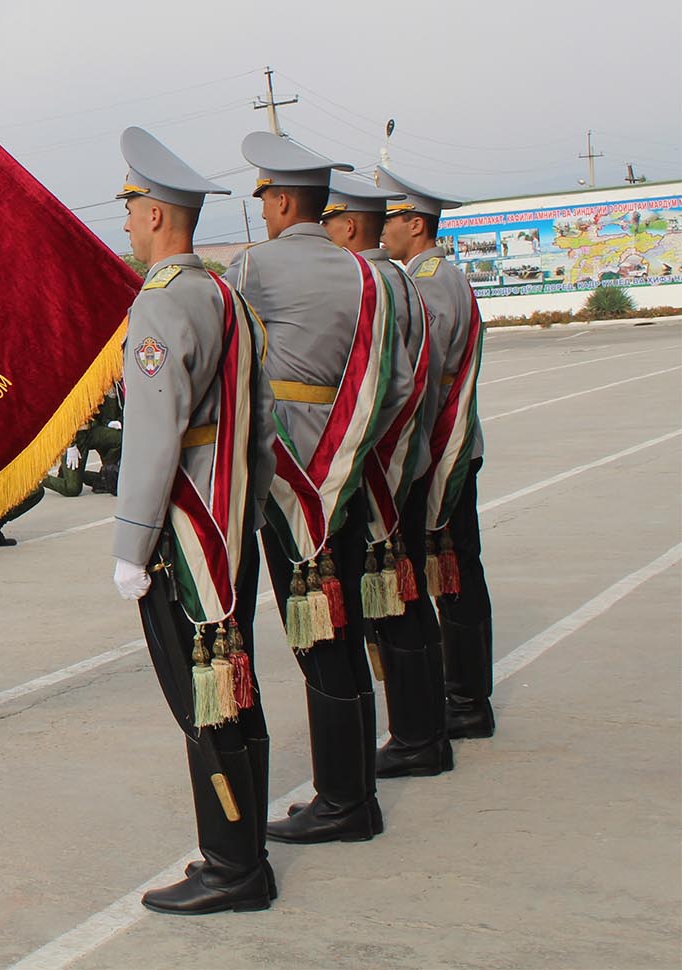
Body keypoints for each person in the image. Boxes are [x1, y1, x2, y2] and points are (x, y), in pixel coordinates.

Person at [109, 127, 277, 914]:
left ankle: (233, 865)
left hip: (182, 529)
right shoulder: (225, 295)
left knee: (201, 696)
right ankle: (247, 849)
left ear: (153, 216)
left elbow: (151, 437)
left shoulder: (160, 305)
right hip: (230, 514)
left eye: (132, 208)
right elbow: (260, 419)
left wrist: (129, 544)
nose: (127, 223)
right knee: (234, 684)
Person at [226, 132, 395, 845]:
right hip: (348, 467)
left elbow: (227, 360)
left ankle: (344, 802)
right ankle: (353, 790)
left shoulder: (253, 265)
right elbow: (398, 383)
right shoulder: (368, 275)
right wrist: (347, 447)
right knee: (344, 629)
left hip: (291, 474)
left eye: (264, 196)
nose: (262, 209)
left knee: (315, 638)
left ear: (284, 199)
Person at [321, 173, 450, 777]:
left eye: (327, 221)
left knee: (391, 604)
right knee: (406, 600)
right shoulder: (400, 281)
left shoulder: (370, 284)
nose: (322, 233)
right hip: (406, 459)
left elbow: (390, 387)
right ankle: (425, 734)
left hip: (381, 467)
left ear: (349, 226)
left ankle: (415, 739)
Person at [378, 166, 495, 744]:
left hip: (440, 451)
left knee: (453, 574)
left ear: (415, 224)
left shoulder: (428, 285)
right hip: (450, 448)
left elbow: (421, 381)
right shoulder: (436, 276)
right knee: (457, 570)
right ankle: (466, 695)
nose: (384, 228)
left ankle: (466, 699)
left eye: (391, 218)